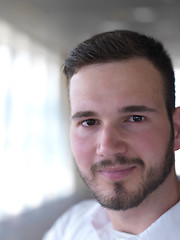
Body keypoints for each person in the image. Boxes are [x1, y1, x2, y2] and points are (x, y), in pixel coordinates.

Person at [42, 30, 180, 240]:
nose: (107, 147)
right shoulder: (71, 226)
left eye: (135, 118)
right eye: (89, 122)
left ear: (177, 130)